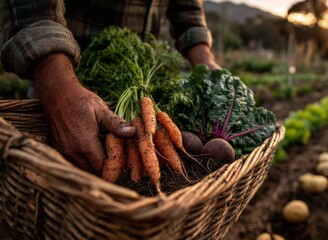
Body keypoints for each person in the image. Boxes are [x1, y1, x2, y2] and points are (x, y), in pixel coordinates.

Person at [0, 0, 220, 173]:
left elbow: (187, 9)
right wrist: (56, 81)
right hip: (66, 86)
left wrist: (206, 62)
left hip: (138, 86)